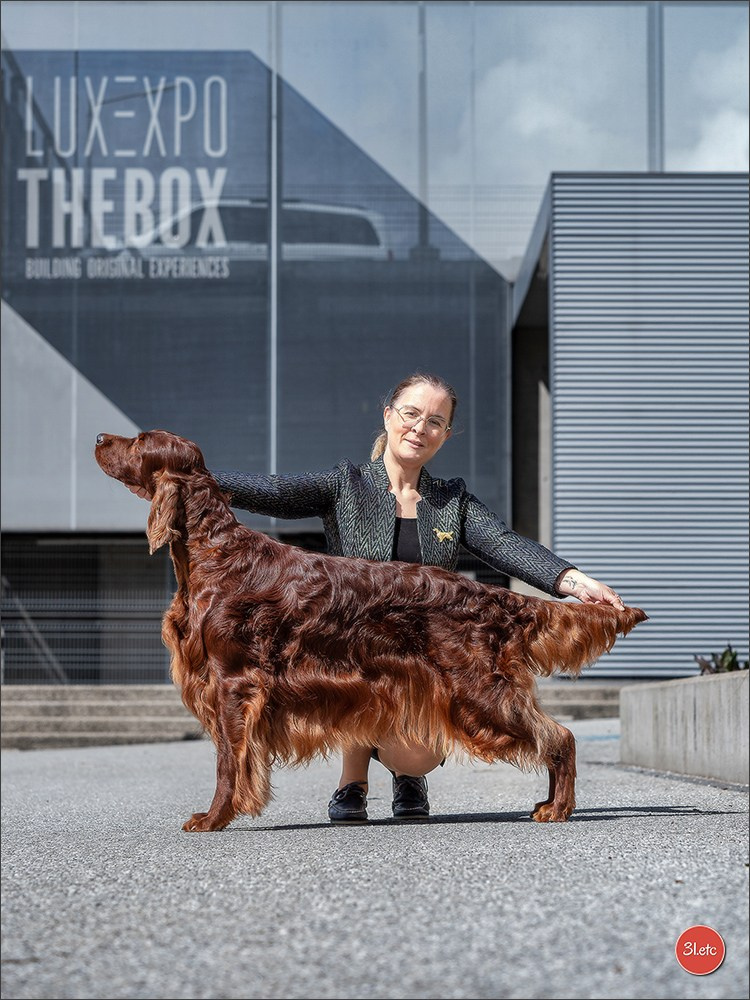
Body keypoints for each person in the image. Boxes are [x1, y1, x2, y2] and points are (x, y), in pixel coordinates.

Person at [128, 372, 624, 824]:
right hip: (346, 648)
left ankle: (417, 776)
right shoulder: (345, 483)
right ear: (388, 416)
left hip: (424, 649)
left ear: (445, 435)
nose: (419, 427)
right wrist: (186, 476)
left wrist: (574, 582)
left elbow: (506, 546)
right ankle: (352, 782)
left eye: (435, 421)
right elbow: (272, 491)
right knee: (337, 678)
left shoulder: (452, 501)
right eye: (411, 413)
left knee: (437, 735)